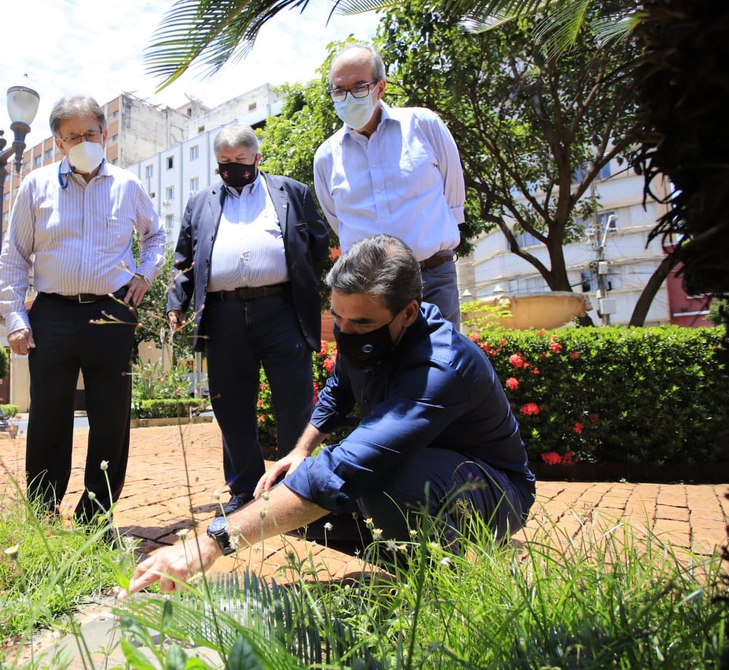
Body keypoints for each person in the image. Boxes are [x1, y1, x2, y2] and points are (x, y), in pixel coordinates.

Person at [125, 234, 535, 595]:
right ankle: (398, 549)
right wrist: (300, 452)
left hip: (495, 489)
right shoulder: (369, 335)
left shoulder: (442, 367)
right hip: (422, 467)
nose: (345, 332)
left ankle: (437, 576)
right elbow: (339, 390)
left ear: (408, 312)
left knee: (383, 481)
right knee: (285, 489)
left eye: (360, 322)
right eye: (337, 318)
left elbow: (350, 466)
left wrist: (212, 541)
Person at [0, 95, 166, 525]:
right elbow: (14, 256)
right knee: (48, 412)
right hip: (51, 313)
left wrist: (144, 275)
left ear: (104, 134)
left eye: (90, 133)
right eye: (72, 136)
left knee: (111, 414)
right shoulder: (35, 186)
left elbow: (156, 237)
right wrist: (15, 319)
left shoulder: (127, 185)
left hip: (111, 312)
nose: (83, 141)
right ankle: (43, 509)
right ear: (58, 142)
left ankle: (95, 514)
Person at [167, 125, 329, 515]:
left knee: (293, 400)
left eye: (240, 160)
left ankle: (295, 488)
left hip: (281, 311)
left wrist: (304, 286)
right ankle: (243, 489)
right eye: (224, 162)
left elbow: (319, 244)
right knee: (232, 405)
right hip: (221, 316)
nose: (232, 168)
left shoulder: (292, 192)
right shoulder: (199, 203)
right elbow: (183, 260)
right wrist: (177, 302)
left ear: (257, 158)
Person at [314, 43, 466, 326]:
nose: (348, 97)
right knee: (374, 369)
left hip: (432, 278)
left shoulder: (424, 124)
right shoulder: (325, 157)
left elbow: (453, 200)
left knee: (442, 366)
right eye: (339, 90)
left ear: (380, 87)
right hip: (367, 293)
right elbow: (338, 221)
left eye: (359, 86)